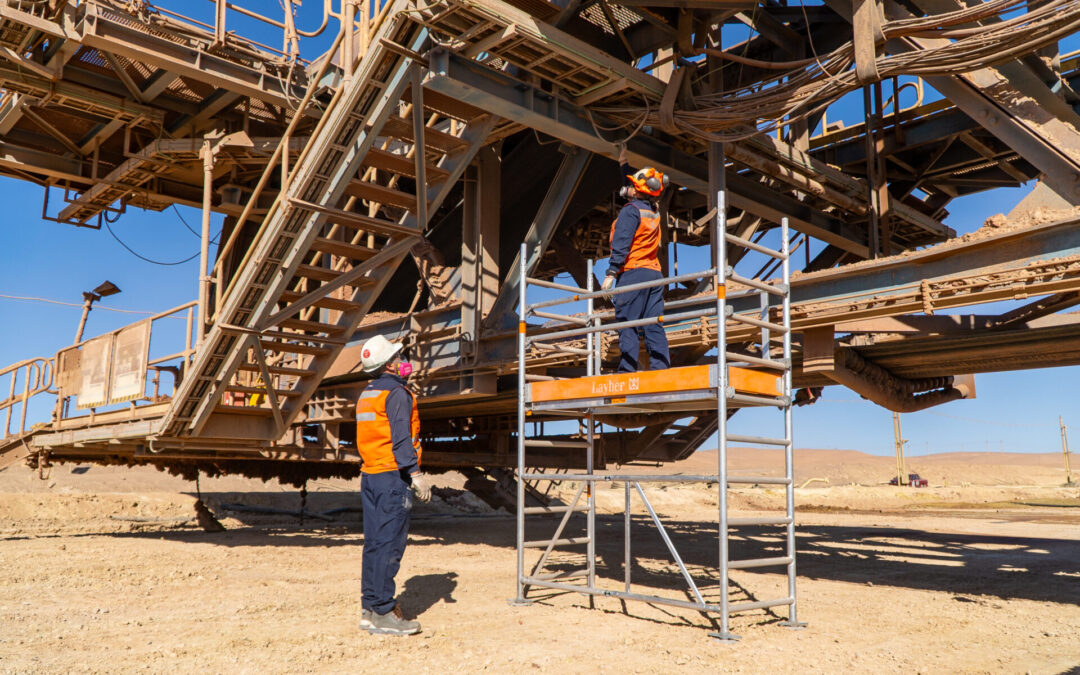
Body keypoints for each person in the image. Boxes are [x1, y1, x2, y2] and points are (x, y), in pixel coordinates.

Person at [354, 334, 431, 636]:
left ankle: (369, 608)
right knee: (390, 546)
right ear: (389, 364)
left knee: (374, 544)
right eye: (398, 357)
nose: (403, 361)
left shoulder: (367, 394)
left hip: (371, 474)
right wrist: (415, 473)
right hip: (392, 479)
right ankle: (384, 613)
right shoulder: (398, 394)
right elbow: (401, 439)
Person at [601, 152, 671, 373]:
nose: (627, 187)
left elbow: (621, 243)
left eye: (632, 185)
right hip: (654, 275)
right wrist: (624, 165)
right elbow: (638, 189)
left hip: (632, 274)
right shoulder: (652, 210)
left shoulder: (630, 212)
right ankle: (661, 368)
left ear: (638, 190)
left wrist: (611, 274)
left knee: (627, 324)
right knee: (653, 324)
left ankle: (627, 371)